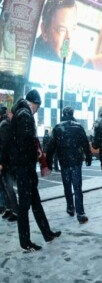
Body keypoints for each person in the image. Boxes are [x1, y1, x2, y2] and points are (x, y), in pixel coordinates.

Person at [10, 90, 60, 251]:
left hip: (25, 167)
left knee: (35, 203)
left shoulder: (21, 112)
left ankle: (47, 233)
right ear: (33, 103)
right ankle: (25, 243)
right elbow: (25, 142)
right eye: (37, 107)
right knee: (25, 206)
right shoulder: (25, 114)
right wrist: (36, 153)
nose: (37, 110)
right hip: (24, 167)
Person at [46, 106, 93, 224]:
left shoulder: (57, 128)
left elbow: (51, 146)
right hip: (76, 161)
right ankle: (80, 213)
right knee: (77, 188)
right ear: (72, 113)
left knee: (67, 186)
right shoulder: (78, 127)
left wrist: (49, 162)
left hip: (64, 162)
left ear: (63, 114)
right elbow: (85, 144)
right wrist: (88, 157)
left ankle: (70, 207)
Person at [32, 0, 84, 66]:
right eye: (62, 30)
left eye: (73, 29)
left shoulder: (79, 64)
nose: (68, 40)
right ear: (44, 31)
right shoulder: (29, 56)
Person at [0, 106, 18, 222]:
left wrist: (2, 162)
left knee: (8, 187)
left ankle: (15, 211)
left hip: (6, 162)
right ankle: (9, 209)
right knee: (4, 187)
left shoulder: (4, 124)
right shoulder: (3, 123)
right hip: (5, 161)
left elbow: (5, 146)